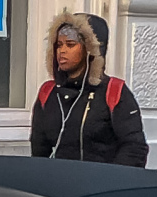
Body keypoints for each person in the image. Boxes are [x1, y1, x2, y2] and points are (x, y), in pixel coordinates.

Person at [31, 11, 147, 166]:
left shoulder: (114, 92)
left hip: (102, 184)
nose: (62, 51)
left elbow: (134, 147)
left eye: (70, 45)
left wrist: (112, 182)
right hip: (58, 184)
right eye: (58, 45)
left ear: (90, 50)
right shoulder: (48, 93)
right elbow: (39, 150)